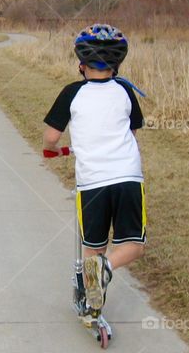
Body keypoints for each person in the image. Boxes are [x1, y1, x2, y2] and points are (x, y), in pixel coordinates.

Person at [42, 24, 146, 326]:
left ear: (81, 64)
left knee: (94, 247)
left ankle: (93, 295)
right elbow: (132, 131)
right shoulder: (125, 90)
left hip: (92, 184)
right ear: (116, 65)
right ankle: (102, 279)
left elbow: (51, 137)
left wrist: (53, 150)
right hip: (128, 177)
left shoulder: (72, 93)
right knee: (132, 245)